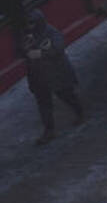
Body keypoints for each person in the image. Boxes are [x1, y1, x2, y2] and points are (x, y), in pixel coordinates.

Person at [20, 9, 82, 144]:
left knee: (66, 95)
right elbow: (22, 53)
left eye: (32, 23)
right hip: (38, 77)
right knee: (44, 104)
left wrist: (40, 54)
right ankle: (49, 131)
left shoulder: (51, 32)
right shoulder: (28, 36)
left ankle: (79, 112)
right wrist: (26, 47)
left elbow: (58, 48)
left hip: (56, 73)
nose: (29, 26)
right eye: (28, 24)